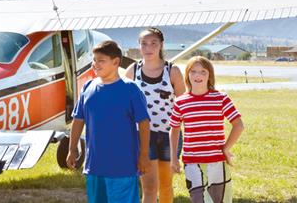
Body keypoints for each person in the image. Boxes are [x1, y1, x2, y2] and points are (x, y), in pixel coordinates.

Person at [67, 40, 151, 203]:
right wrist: (72, 148)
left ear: (116, 62)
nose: (95, 64)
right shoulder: (88, 87)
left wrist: (144, 155)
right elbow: (78, 120)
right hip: (94, 165)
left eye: (101, 60)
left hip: (123, 166)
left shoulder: (130, 89)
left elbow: (144, 122)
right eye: (94, 60)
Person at [169, 56, 245, 203]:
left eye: (203, 72)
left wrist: (226, 148)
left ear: (210, 75)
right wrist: (173, 157)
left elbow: (239, 125)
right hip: (192, 163)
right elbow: (174, 129)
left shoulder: (221, 98)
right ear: (187, 75)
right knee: (199, 199)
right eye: (193, 71)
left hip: (217, 161)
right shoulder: (180, 102)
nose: (198, 75)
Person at [124, 27, 186, 203]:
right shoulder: (132, 71)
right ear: (139, 46)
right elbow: (124, 104)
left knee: (166, 185)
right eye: (144, 44)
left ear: (161, 45)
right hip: (142, 136)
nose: (148, 48)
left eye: (153, 43)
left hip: (169, 136)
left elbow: (183, 105)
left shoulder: (172, 71)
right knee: (149, 187)